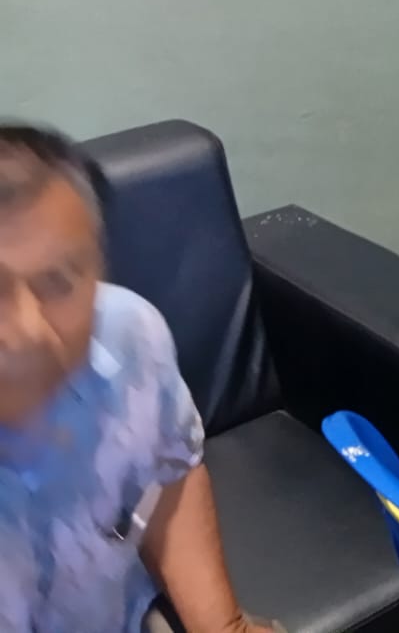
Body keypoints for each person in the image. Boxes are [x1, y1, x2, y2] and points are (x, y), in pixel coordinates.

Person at [0, 124, 276, 633]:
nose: (28, 331)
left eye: (58, 282)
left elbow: (170, 478)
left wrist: (225, 626)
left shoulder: (128, 334)